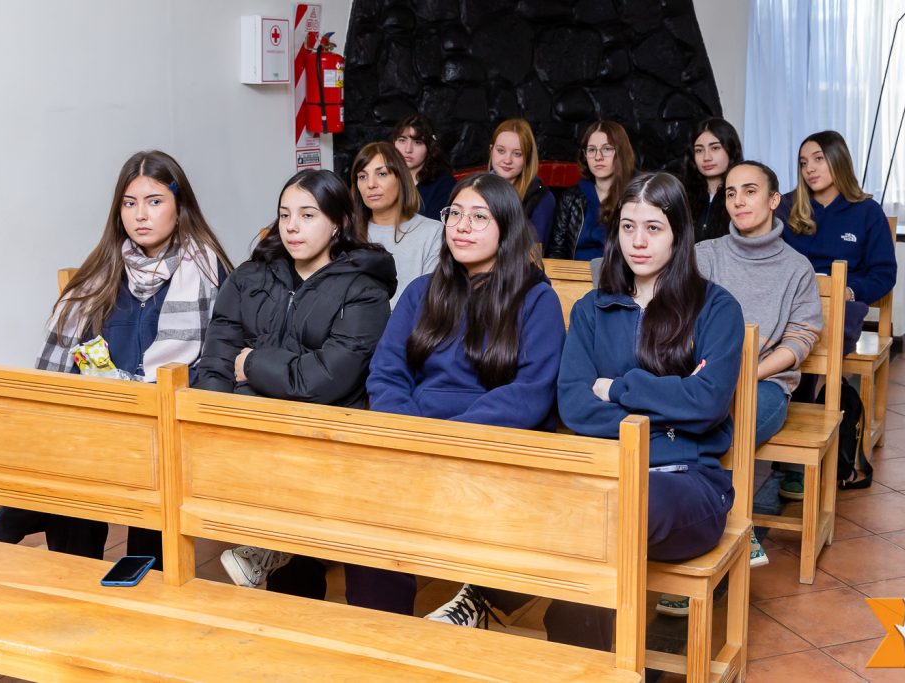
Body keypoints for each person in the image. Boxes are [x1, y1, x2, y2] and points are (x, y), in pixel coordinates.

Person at [427, 173, 744, 648]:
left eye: (653, 228)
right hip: (603, 474)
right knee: (567, 507)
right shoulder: (594, 309)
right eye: (628, 227)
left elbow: (709, 403)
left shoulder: (717, 308)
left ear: (679, 234)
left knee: (613, 513)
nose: (638, 242)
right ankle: (580, 653)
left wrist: (619, 388)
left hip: (688, 482)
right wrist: (671, 407)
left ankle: (486, 599)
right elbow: (574, 405)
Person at [0, 150, 232, 563]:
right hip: (101, 422)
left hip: (168, 426)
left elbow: (216, 364)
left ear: (179, 207)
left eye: (154, 201)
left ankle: (4, 534)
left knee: (78, 465)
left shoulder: (210, 273)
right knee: (70, 451)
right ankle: (73, 569)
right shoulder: (101, 272)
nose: (141, 215)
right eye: (129, 204)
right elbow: (68, 362)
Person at [355, 172, 566, 615]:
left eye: (479, 217)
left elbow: (531, 393)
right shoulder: (422, 292)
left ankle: (476, 603)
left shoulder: (535, 300)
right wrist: (412, 432)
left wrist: (451, 438)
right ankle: (382, 632)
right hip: (416, 441)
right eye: (454, 214)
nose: (462, 227)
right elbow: (387, 373)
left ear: (507, 228)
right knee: (368, 511)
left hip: (491, 448)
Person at [200, 169, 396, 592]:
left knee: (298, 539)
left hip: (325, 430)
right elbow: (217, 355)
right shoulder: (249, 277)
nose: (292, 226)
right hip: (251, 429)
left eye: (308, 215)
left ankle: (278, 555)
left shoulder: (364, 291)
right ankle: (271, 553)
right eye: (285, 214)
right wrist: (214, 416)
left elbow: (323, 379)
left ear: (338, 223)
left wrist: (253, 364)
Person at [695, 160, 822, 571]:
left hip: (764, 383)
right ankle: (728, 531)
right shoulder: (705, 255)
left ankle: (716, 534)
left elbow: (801, 338)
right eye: (731, 193)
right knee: (677, 427)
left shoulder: (796, 268)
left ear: (773, 200)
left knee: (719, 433)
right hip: (703, 376)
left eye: (750, 191)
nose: (738, 201)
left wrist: (749, 374)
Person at [775, 130, 897, 499]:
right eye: (803, 162)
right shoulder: (787, 207)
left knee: (818, 338)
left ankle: (798, 458)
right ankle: (782, 431)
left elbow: (884, 273)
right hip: (791, 302)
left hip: (842, 305)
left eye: (818, 159)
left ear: (838, 160)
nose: (809, 169)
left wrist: (850, 289)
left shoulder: (867, 212)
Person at [351, 141, 443, 308]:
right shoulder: (349, 233)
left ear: (400, 178)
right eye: (362, 176)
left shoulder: (433, 232)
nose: (371, 184)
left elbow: (430, 301)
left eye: (382, 174)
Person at [547, 119, 636, 260]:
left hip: (620, 271)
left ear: (621, 152)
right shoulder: (571, 197)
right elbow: (556, 250)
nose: (598, 157)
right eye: (592, 150)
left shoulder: (639, 194)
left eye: (607, 149)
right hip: (575, 271)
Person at [488, 118, 556, 248]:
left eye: (517, 154)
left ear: (527, 158)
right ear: (491, 150)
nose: (507, 160)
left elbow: (534, 252)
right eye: (501, 151)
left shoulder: (542, 198)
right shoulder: (474, 189)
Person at [682, 117, 744, 243]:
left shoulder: (743, 196)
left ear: (731, 150)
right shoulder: (682, 195)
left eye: (715, 148)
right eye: (699, 150)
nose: (706, 157)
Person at [391, 113, 457, 220]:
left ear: (429, 147)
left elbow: (437, 227)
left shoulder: (444, 184)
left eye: (418, 142)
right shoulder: (385, 176)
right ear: (394, 142)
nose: (408, 149)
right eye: (402, 140)